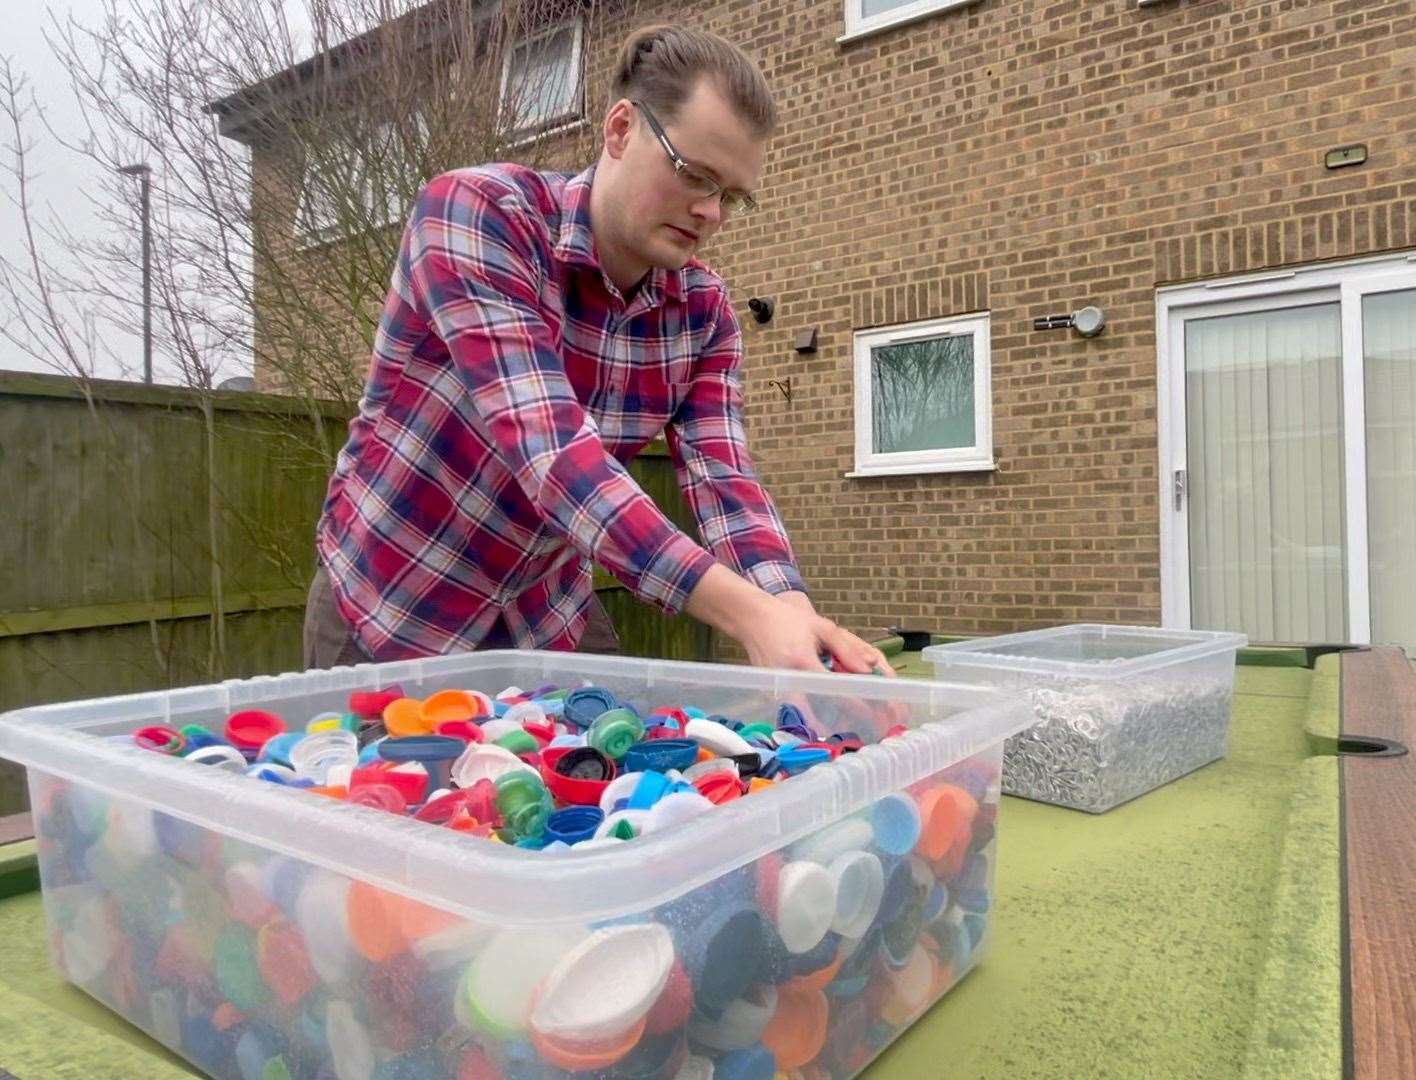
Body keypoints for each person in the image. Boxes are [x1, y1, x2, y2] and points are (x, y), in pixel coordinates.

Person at [304, 23, 893, 678]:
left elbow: (723, 476)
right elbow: (552, 454)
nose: (711, 214)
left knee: (606, 772)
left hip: (545, 612)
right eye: (696, 175)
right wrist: (745, 613)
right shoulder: (479, 214)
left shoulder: (704, 315)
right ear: (620, 130)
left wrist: (789, 609)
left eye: (731, 196)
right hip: (394, 603)